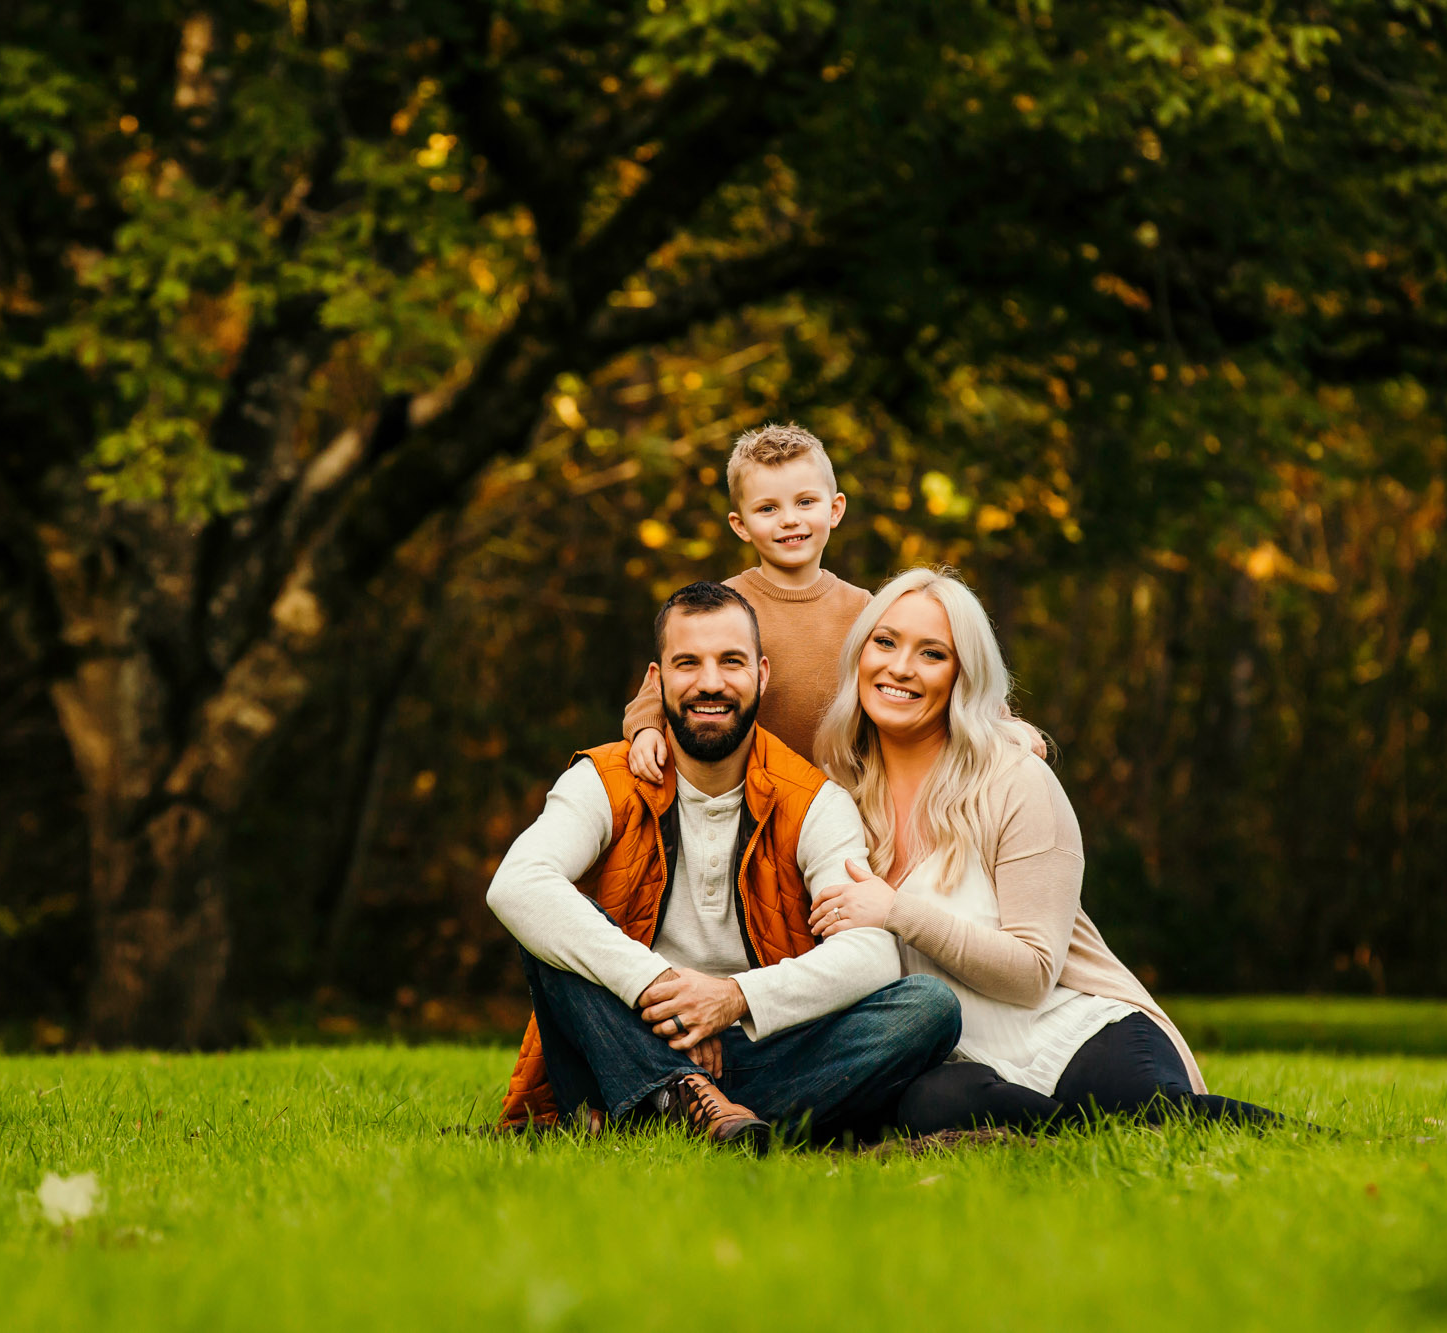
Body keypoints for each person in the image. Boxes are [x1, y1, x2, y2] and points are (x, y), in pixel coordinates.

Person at [487, 580, 961, 1151]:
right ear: (658, 680)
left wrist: (732, 998)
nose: (710, 683)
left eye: (730, 663)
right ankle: (686, 1093)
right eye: (688, 663)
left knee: (928, 1008)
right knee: (549, 920)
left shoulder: (814, 802)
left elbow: (870, 956)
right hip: (622, 1037)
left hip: (761, 1050)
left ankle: (663, 1115)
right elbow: (515, 884)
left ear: (761, 674)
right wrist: (658, 990)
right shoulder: (603, 780)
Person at [807, 567, 1283, 1134]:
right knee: (928, 1110)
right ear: (859, 653)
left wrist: (897, 912)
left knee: (1157, 1119)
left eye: (932, 653)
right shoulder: (837, 799)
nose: (901, 668)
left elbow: (1034, 972)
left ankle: (1337, 1149)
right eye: (885, 642)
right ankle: (1074, 1136)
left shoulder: (1014, 780)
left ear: (962, 676)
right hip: (965, 1062)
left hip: (1075, 1028)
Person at [620, 421, 1045, 777]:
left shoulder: (867, 611)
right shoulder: (724, 605)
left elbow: (933, 672)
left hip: (843, 799)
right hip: (748, 798)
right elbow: (662, 686)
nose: (790, 519)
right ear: (740, 524)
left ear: (835, 509)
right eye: (768, 509)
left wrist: (1003, 724)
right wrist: (646, 731)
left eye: (805, 502)